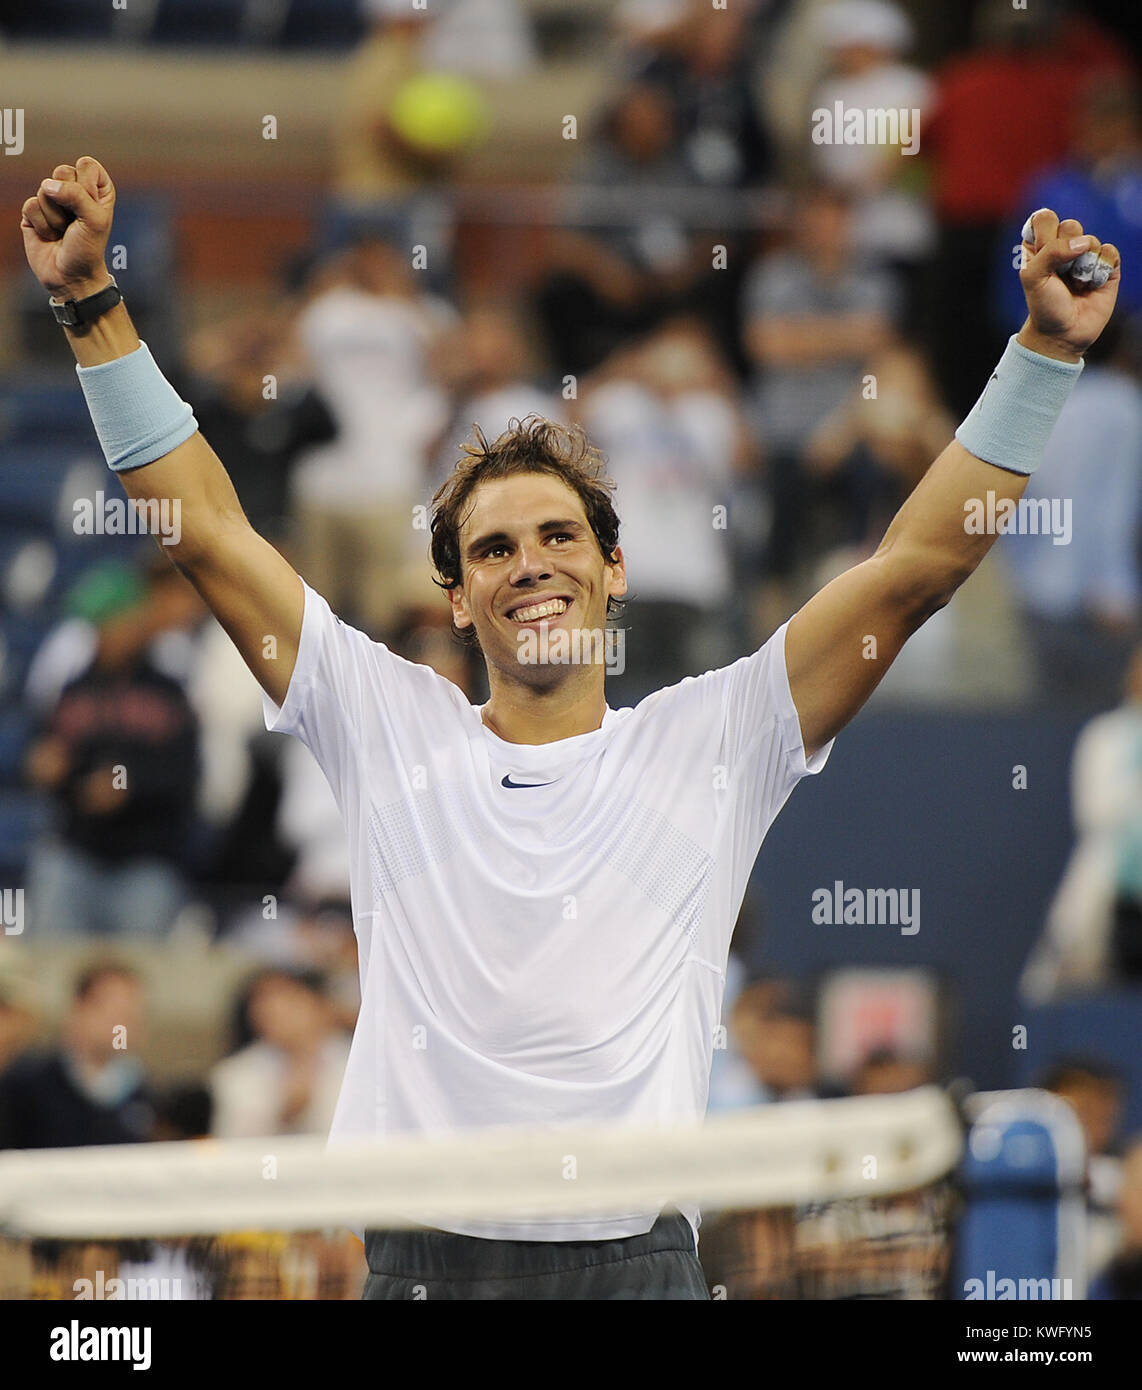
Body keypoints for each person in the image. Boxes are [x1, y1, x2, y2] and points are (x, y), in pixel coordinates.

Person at [20, 155, 1120, 1299]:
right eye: (491, 549)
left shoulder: (717, 735)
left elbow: (913, 569)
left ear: (613, 569)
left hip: (634, 1259)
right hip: (420, 1258)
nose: (527, 565)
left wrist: (1039, 354)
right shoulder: (384, 719)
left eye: (556, 537)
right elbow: (203, 530)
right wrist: (91, 304)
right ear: (454, 597)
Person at [0, 962, 154, 1149]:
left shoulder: (141, 1092)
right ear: (80, 1008)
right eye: (115, 1014)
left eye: (132, 1016)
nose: (124, 1026)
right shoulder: (25, 1084)